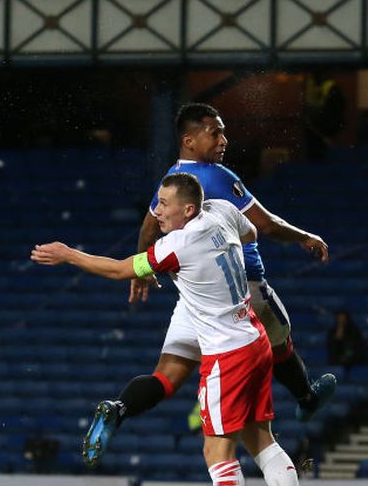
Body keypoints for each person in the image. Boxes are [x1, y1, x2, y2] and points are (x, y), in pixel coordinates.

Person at [31, 173, 322, 486]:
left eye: (164, 204)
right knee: (261, 439)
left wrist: (68, 254)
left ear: (188, 209)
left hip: (227, 354)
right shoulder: (222, 211)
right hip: (254, 338)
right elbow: (252, 229)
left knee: (216, 451)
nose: (157, 211)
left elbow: (120, 271)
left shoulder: (177, 245)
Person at [88, 103, 337, 460]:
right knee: (280, 342)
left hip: (192, 299)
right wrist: (304, 237)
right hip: (241, 291)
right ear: (189, 140)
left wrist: (145, 272)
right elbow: (264, 225)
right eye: (214, 132)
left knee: (166, 376)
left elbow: (147, 227)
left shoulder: (171, 181)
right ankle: (306, 399)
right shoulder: (216, 175)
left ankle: (119, 408)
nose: (224, 138)